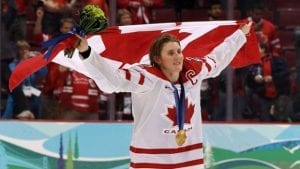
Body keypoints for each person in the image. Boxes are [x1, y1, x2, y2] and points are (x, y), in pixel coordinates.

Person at [75, 22, 252, 168]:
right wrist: (86, 52)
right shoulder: (145, 77)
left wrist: (240, 35)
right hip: (150, 161)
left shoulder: (194, 71)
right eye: (170, 53)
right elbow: (112, 79)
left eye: (179, 51)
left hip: (189, 160)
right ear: (158, 59)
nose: (178, 56)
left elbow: (217, 59)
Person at [1, 40, 47, 119]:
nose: (24, 51)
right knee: (11, 99)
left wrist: (41, 60)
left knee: (40, 97)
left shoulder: (32, 64)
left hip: (32, 90)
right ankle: (5, 119)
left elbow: (43, 73)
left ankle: (40, 119)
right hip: (18, 90)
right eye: (21, 49)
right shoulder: (12, 64)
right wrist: (23, 62)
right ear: (17, 51)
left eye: (26, 49)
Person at [246, 42, 291, 121]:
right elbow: (248, 79)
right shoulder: (253, 63)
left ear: (263, 50)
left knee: (279, 118)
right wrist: (254, 78)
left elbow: (285, 74)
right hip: (262, 95)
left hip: (278, 93)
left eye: (257, 48)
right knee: (265, 118)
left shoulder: (276, 60)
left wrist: (273, 78)